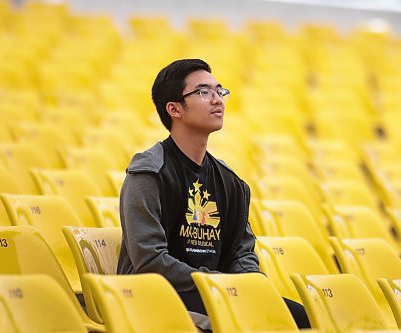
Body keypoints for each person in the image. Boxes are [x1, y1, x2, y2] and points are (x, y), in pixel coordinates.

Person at [117, 59, 310, 331]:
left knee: (303, 318)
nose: (217, 99)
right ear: (174, 109)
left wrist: (248, 285)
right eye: (203, 92)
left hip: (218, 291)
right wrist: (219, 283)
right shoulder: (149, 173)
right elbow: (150, 261)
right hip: (157, 294)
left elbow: (241, 252)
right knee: (242, 321)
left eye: (220, 91)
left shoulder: (230, 182)